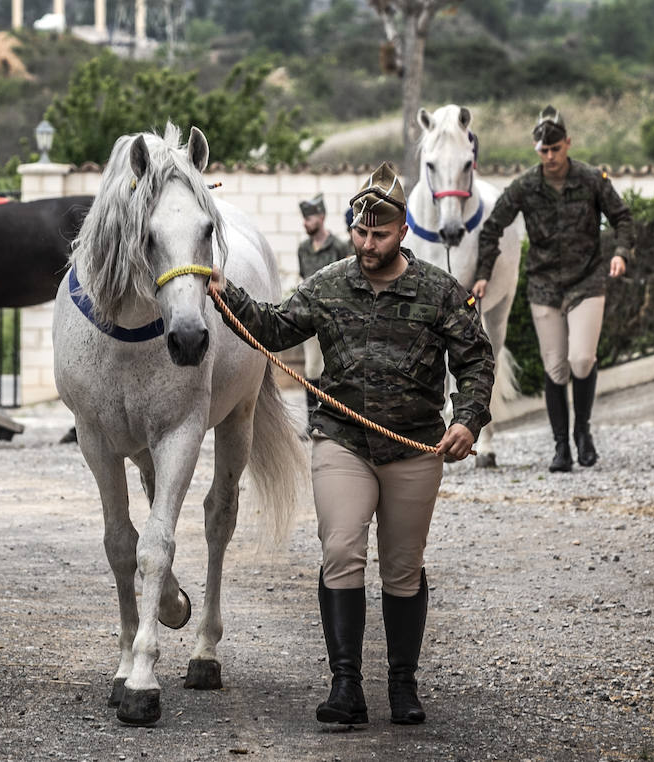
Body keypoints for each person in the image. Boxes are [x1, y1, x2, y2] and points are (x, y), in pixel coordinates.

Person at [209, 162, 495, 727]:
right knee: (341, 551)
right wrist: (224, 292)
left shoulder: (438, 290)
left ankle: (402, 686)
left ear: (403, 232)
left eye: (379, 234)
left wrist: (468, 420)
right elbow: (273, 326)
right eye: (360, 232)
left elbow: (476, 359)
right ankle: (346, 686)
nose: (367, 244)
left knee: (403, 568)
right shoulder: (330, 282)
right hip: (342, 443)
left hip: (414, 446)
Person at [472, 105, 635, 473]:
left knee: (581, 360)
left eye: (556, 149)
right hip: (545, 286)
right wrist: (484, 273)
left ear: (567, 144)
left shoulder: (592, 179)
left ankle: (583, 432)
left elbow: (622, 217)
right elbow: (493, 227)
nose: (550, 157)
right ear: (536, 150)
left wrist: (622, 252)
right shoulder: (525, 186)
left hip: (587, 280)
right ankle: (561, 446)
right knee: (556, 368)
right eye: (543, 151)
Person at [295, 195, 349, 379]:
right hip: (310, 315)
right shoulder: (303, 248)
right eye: (304, 218)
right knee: (311, 369)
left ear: (321, 217)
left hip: (335, 318)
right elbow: (303, 276)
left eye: (309, 218)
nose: (305, 223)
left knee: (335, 368)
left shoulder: (338, 247)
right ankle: (311, 409)